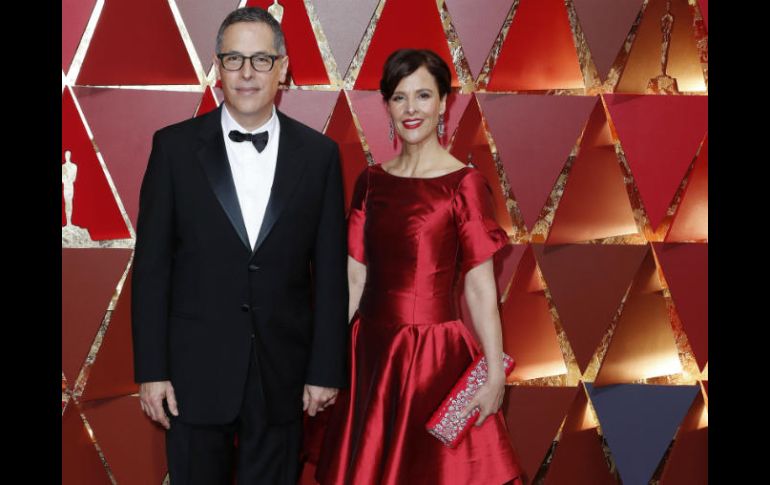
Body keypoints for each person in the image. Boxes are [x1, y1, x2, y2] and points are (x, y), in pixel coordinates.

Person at [131, 7, 348, 484]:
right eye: (233, 59)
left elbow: (330, 274)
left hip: (283, 377)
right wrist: (152, 370)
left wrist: (325, 369)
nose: (247, 73)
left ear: (283, 67)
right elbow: (151, 269)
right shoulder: (173, 148)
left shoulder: (320, 156)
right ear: (217, 66)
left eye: (261, 60)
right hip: (192, 373)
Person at [315, 49, 523, 485]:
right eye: (399, 97)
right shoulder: (370, 181)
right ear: (387, 105)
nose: (411, 109)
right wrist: (326, 362)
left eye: (424, 95)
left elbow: (480, 288)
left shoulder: (464, 184)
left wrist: (494, 377)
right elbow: (355, 278)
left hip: (434, 357)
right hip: (368, 353)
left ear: (444, 102)